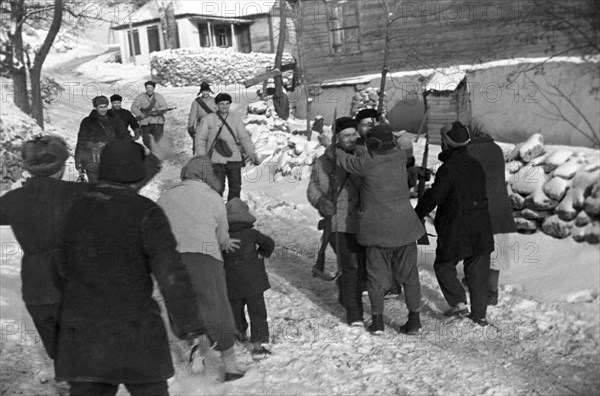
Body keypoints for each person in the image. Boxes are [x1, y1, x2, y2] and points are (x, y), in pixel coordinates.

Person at [0, 135, 167, 369]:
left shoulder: (13, 200)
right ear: (60, 167)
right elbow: (122, 191)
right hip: (75, 286)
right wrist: (154, 159)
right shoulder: (77, 194)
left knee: (61, 354)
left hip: (36, 289)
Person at [55, 140, 203, 396]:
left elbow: (57, 267)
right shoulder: (146, 213)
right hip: (136, 333)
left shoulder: (74, 209)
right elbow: (171, 274)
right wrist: (188, 325)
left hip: (83, 337)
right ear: (135, 172)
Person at [157, 156, 248, 381]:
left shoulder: (165, 197)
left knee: (182, 306)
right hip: (204, 258)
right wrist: (223, 243)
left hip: (171, 261)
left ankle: (195, 345)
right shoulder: (213, 198)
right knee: (216, 307)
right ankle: (230, 366)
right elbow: (221, 236)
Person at [331, 124, 426, 335]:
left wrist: (334, 148)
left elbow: (346, 161)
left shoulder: (366, 163)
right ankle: (414, 320)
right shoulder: (400, 157)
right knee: (410, 277)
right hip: (405, 228)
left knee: (376, 278)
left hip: (377, 231)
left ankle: (377, 322)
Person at [414, 121, 494, 327]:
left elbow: (437, 196)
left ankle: (458, 303)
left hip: (456, 227)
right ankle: (480, 315)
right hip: (482, 227)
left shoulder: (449, 168)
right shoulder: (475, 165)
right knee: (478, 273)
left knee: (443, 265)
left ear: (446, 144)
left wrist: (418, 212)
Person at [307, 117, 367, 327]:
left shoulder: (363, 157)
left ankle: (346, 292)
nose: (352, 139)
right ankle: (355, 314)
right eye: (346, 135)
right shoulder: (324, 162)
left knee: (363, 269)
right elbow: (313, 188)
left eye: (354, 134)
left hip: (363, 223)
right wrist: (321, 201)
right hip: (338, 223)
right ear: (337, 138)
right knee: (351, 267)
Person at [466, 123, 516, 305]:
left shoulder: (469, 150)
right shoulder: (496, 149)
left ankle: (479, 286)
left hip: (480, 207)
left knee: (477, 251)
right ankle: (493, 290)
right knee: (498, 252)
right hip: (500, 207)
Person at [223, 198, 275, 358]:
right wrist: (262, 253)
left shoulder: (223, 237)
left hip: (232, 284)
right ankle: (258, 348)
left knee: (235, 311)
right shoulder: (252, 234)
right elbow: (269, 243)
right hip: (254, 283)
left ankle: (239, 333)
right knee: (257, 313)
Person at [195, 93, 259, 201]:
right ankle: (216, 211)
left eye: (227, 103)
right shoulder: (208, 119)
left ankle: (233, 211)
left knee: (235, 188)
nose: (224, 106)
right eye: (221, 104)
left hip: (234, 158)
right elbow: (200, 139)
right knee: (217, 188)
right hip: (216, 160)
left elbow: (244, 137)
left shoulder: (235, 118)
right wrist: (202, 157)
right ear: (216, 105)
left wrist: (251, 153)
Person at [75, 95, 131, 183]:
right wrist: (78, 161)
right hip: (92, 161)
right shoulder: (87, 122)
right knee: (95, 188)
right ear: (95, 107)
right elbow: (81, 141)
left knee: (111, 187)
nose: (103, 109)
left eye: (105, 107)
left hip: (111, 160)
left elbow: (124, 135)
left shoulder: (115, 120)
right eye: (100, 107)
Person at [131, 80, 169, 149]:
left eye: (151, 88)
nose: (149, 89)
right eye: (148, 88)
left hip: (157, 122)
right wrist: (140, 114)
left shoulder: (159, 97)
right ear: (145, 88)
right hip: (145, 122)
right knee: (146, 141)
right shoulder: (140, 96)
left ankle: (159, 156)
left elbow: (164, 107)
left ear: (153, 88)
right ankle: (151, 156)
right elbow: (133, 107)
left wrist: (157, 112)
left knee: (158, 140)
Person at [187, 82, 217, 154]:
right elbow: (193, 115)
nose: (205, 93)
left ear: (209, 91)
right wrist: (190, 126)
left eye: (207, 91)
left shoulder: (215, 101)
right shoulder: (196, 102)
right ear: (201, 92)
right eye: (204, 91)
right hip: (200, 126)